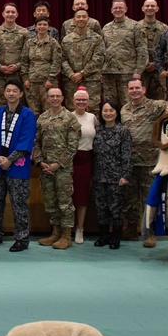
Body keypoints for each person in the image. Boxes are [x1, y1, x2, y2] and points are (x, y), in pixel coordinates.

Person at [0, 79, 37, 252]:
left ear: (21, 94)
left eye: (15, 91)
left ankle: (22, 238)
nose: (11, 93)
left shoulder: (28, 115)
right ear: (4, 93)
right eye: (8, 90)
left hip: (18, 167)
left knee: (19, 203)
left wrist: (9, 160)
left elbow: (26, 141)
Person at [120, 78, 168, 246]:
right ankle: (131, 229)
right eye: (131, 88)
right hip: (130, 162)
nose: (134, 91)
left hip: (149, 160)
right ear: (127, 91)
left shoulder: (155, 106)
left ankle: (150, 233)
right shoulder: (124, 109)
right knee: (129, 198)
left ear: (144, 89)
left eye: (137, 88)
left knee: (148, 198)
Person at [33, 88, 81, 250]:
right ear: (47, 98)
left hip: (63, 169)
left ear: (63, 98)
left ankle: (66, 235)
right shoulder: (42, 118)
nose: (54, 99)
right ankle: (55, 232)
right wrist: (40, 162)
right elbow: (36, 142)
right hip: (46, 168)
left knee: (64, 202)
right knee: (50, 201)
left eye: (57, 96)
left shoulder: (70, 119)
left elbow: (73, 146)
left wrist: (58, 164)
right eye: (51, 96)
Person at [91, 100, 131, 249]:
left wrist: (125, 175)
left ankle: (115, 238)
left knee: (115, 209)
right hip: (99, 176)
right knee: (101, 208)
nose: (108, 113)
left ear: (116, 112)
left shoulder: (123, 131)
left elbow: (126, 155)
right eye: (105, 111)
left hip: (116, 177)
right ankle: (104, 236)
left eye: (111, 110)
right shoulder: (98, 130)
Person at [101, 0, 148, 106]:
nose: (118, 10)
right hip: (108, 73)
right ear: (111, 10)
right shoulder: (106, 28)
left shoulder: (135, 26)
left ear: (126, 9)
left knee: (128, 104)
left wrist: (138, 71)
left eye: (120, 8)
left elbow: (142, 50)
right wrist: (100, 71)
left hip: (127, 73)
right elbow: (101, 51)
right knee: (110, 105)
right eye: (115, 8)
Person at [60, 9, 105, 114]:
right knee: (72, 110)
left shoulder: (97, 38)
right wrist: (71, 75)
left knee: (93, 109)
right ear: (74, 20)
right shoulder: (66, 40)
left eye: (84, 17)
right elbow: (62, 59)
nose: (81, 19)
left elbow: (98, 58)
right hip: (72, 82)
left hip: (91, 81)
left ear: (88, 19)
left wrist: (82, 73)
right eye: (78, 17)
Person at [69, 88, 97, 244]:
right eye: (78, 100)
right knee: (68, 195)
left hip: (86, 160)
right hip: (71, 159)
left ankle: (80, 228)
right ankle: (67, 228)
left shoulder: (92, 118)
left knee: (82, 196)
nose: (81, 102)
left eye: (84, 100)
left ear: (88, 102)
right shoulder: (68, 117)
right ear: (73, 101)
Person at [20, 16, 62, 115]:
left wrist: (50, 79)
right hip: (31, 82)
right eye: (39, 24)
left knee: (49, 111)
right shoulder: (29, 43)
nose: (42, 27)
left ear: (48, 27)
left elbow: (57, 62)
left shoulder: (53, 43)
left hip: (47, 82)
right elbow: (24, 61)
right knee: (33, 112)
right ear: (35, 27)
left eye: (44, 25)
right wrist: (25, 78)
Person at [0, 3, 28, 109]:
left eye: (13, 12)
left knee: (17, 106)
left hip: (17, 75)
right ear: (2, 14)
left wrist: (18, 66)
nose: (10, 14)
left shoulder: (24, 32)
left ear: (17, 14)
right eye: (8, 12)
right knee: (0, 106)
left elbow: (27, 53)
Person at [138, 0, 168, 100]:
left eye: (152, 6)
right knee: (140, 99)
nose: (149, 8)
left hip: (158, 71)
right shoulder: (136, 27)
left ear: (157, 9)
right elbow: (132, 49)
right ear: (142, 8)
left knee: (160, 101)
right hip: (141, 71)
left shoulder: (164, 28)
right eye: (147, 6)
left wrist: (156, 64)